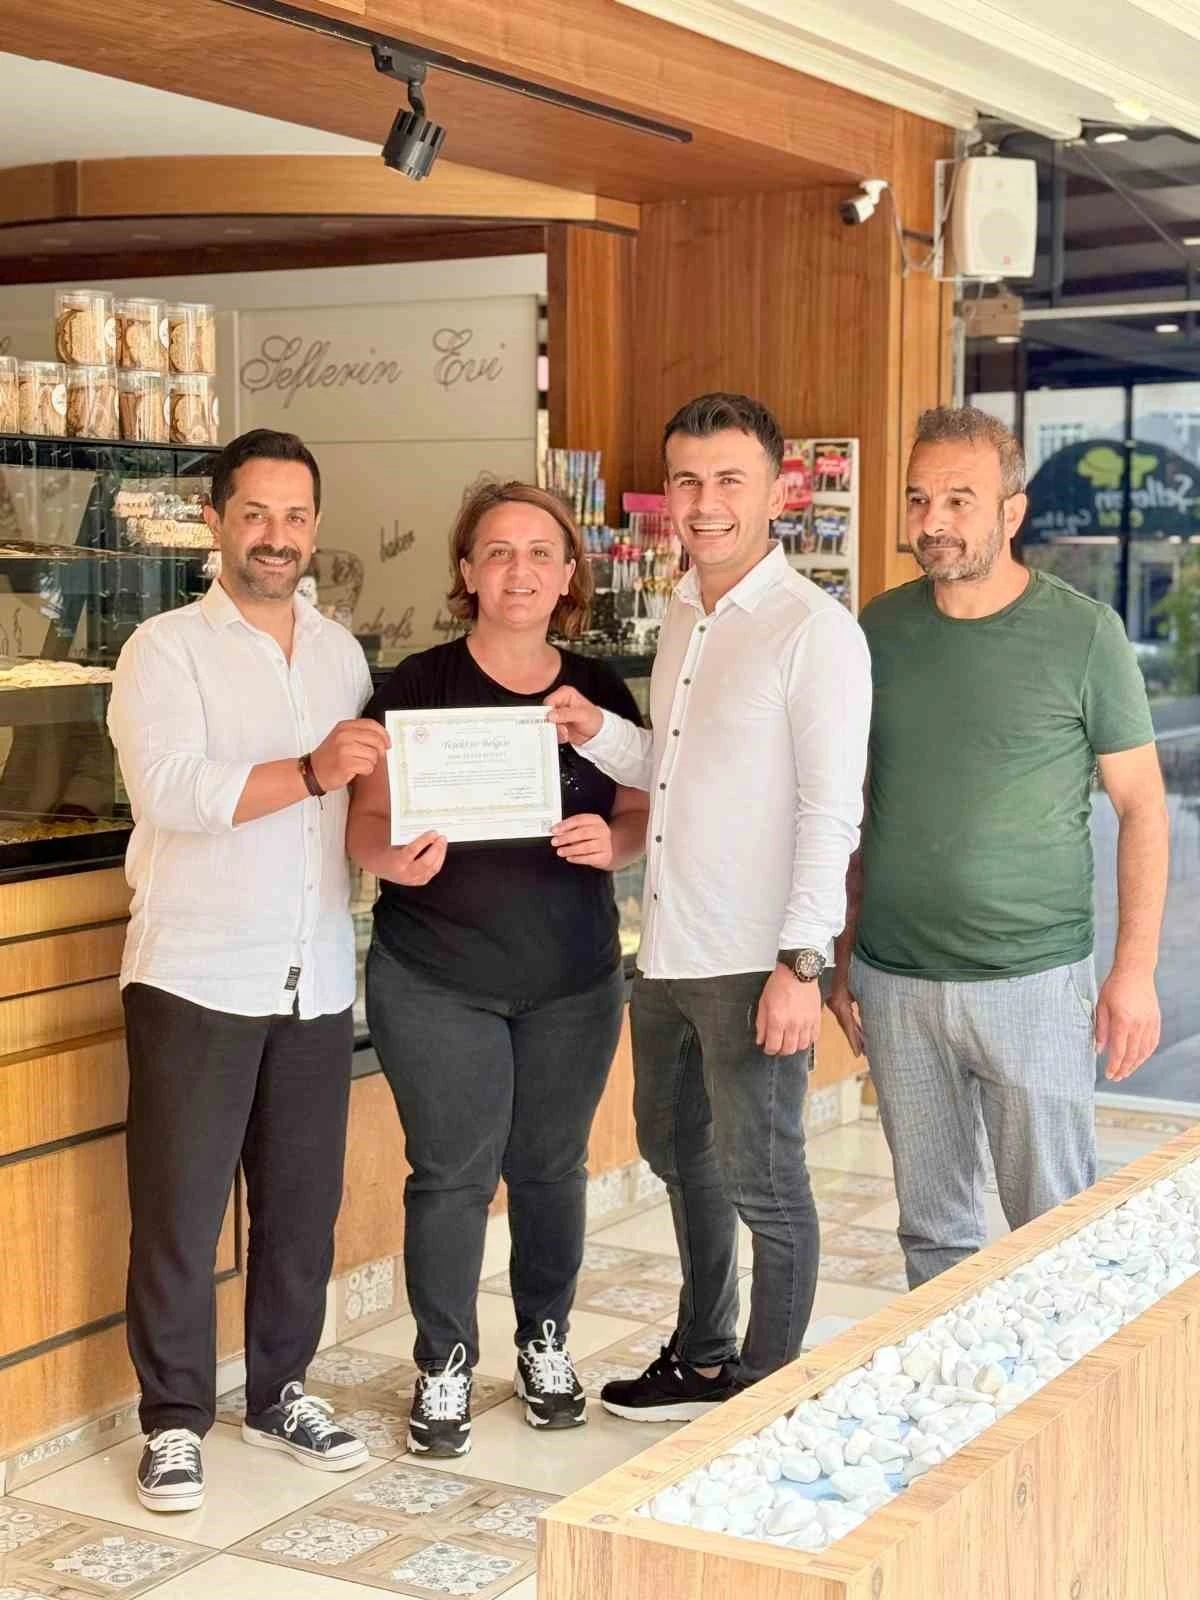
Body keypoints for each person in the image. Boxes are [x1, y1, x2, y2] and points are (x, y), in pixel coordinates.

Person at [548, 393, 872, 1418]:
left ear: (778, 491)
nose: (705, 501)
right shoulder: (686, 611)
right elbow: (679, 767)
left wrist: (802, 964)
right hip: (670, 948)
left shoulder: (813, 631)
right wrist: (595, 730)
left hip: (754, 959)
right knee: (674, 1150)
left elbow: (831, 810)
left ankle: (767, 1398)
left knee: (764, 1179)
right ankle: (701, 1355)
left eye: (730, 479)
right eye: (687, 480)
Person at [108, 428, 386, 1512]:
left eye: (296, 516)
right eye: (256, 514)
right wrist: (314, 768)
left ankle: (280, 1392)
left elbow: (351, 809)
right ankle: (174, 1421)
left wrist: (398, 841)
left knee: (300, 1208)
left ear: (315, 527)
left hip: (312, 970)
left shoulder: (341, 654)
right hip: (196, 971)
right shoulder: (163, 650)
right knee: (179, 1215)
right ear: (216, 520)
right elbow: (173, 791)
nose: (277, 536)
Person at [829, 405, 1169, 1289]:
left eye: (959, 499)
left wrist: (1133, 973)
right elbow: (859, 804)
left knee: (1053, 1229)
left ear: (1011, 512)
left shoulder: (1084, 634)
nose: (933, 520)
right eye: (918, 498)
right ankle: (954, 1380)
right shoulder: (878, 630)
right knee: (932, 1232)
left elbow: (1143, 807)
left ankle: (1066, 1383)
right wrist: (843, 948)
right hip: (897, 982)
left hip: (1033, 982)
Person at [347, 479, 649, 1458]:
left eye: (540, 552)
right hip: (434, 974)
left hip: (573, 978)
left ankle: (544, 1343)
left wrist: (615, 842)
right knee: (451, 1174)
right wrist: (390, 860)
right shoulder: (415, 685)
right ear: (467, 571)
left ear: (568, 576)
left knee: (552, 1168)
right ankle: (443, 1360)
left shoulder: (598, 691)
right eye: (499, 552)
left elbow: (643, 805)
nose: (520, 570)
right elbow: (365, 817)